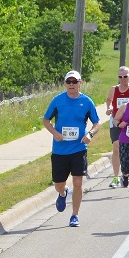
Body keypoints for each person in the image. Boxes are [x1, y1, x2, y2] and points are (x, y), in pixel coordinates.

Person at [46, 71, 99, 227]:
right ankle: (63, 193)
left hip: (79, 148)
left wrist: (90, 134)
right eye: (68, 81)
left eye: (74, 81)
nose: (71, 84)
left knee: (78, 181)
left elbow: (97, 123)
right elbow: (45, 119)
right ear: (64, 83)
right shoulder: (58, 101)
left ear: (79, 83)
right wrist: (55, 133)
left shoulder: (87, 102)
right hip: (60, 150)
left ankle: (74, 215)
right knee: (58, 184)